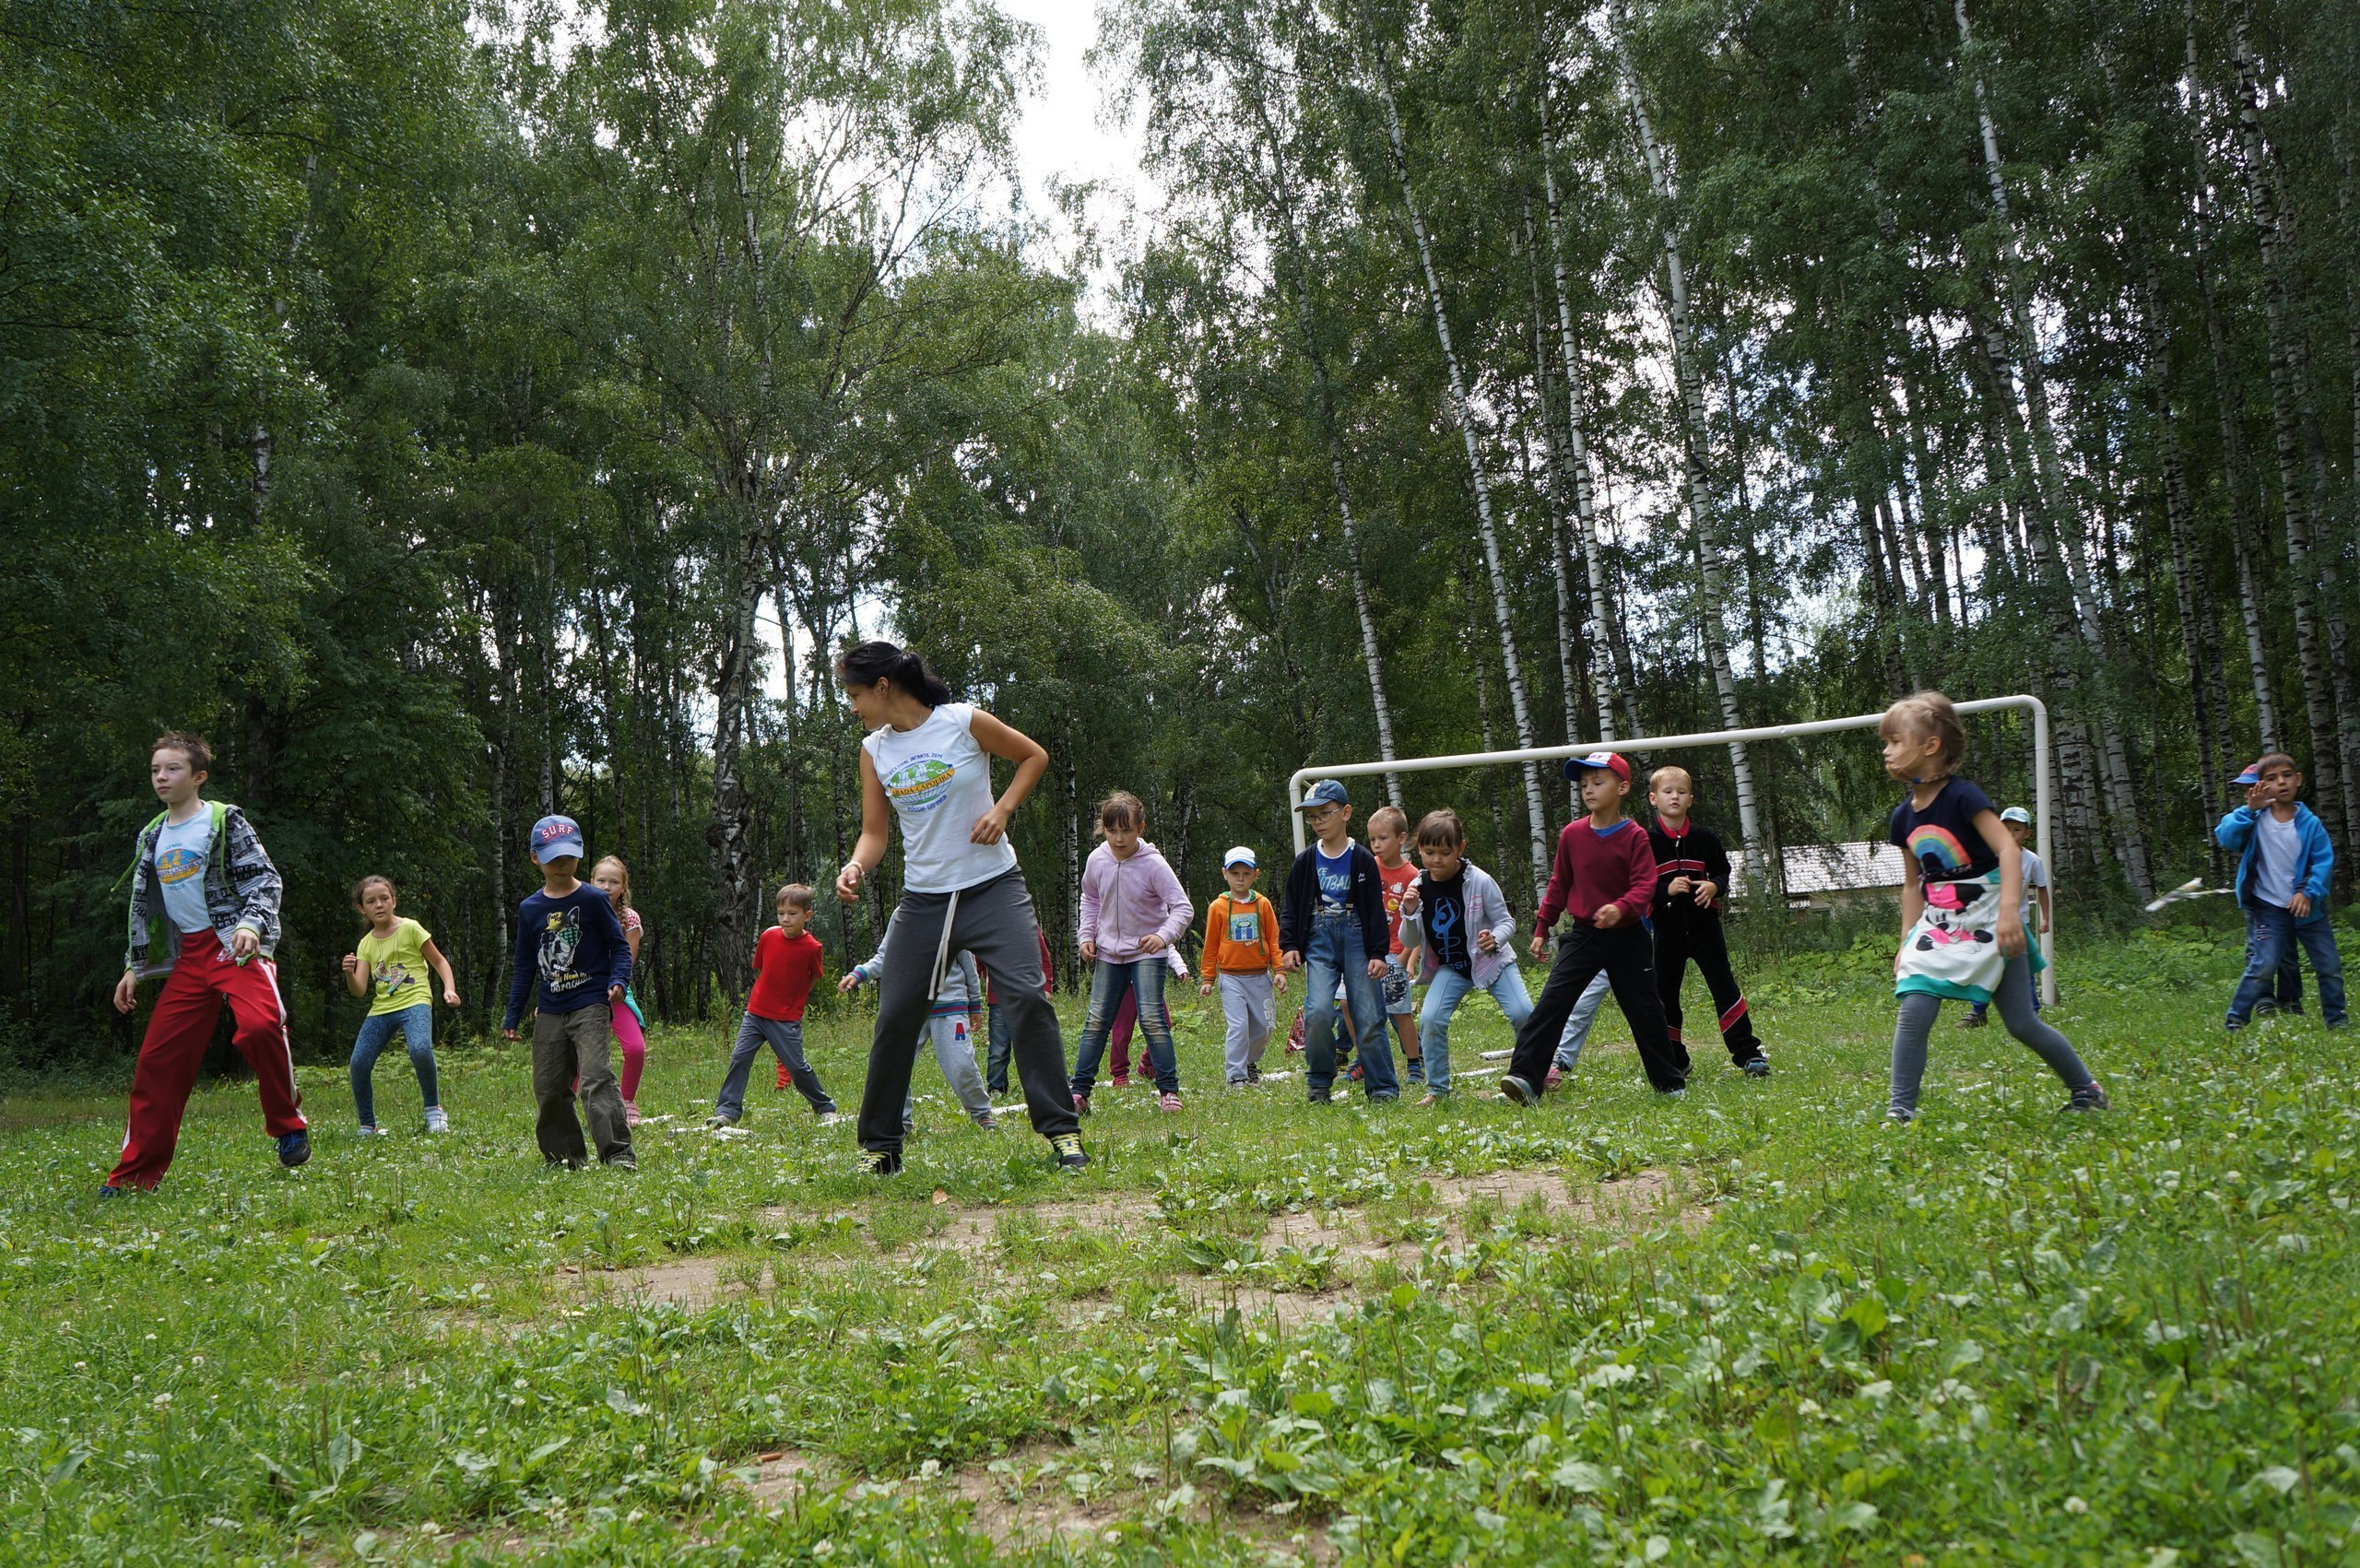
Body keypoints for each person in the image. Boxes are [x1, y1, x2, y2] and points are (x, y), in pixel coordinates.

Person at [832, 642, 1087, 1174]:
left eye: (854, 694)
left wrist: (1003, 809)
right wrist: (856, 865)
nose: (851, 706)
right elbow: (874, 834)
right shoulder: (874, 750)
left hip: (993, 887)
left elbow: (1033, 756)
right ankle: (882, 1147)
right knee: (897, 1015)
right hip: (924, 900)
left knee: (1026, 998)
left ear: (883, 686)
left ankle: (1062, 1133)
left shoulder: (962, 721)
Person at [1879, 692, 2106, 1121]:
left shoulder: (1963, 797)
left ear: (1931, 746)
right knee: (1914, 1009)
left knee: (2022, 1023)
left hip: (1992, 917)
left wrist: (2009, 914)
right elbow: (1913, 884)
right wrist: (1906, 940)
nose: (1887, 751)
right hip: (1940, 921)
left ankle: (2087, 1090)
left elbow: (2007, 850)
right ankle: (1900, 1110)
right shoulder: (1901, 817)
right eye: (1885, 743)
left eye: (1895, 740)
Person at [103, 732, 310, 1196]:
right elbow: (145, 907)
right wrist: (135, 966)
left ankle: (287, 1123)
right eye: (156, 769)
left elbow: (265, 879)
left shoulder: (223, 820)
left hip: (235, 947)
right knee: (157, 1063)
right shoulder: (152, 834)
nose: (161, 777)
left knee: (260, 1026)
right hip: (188, 959)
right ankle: (134, 1177)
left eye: (172, 769)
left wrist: (253, 926)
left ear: (198, 777)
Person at [1500, 752, 1688, 1103]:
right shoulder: (1572, 835)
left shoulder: (1635, 837)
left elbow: (1645, 884)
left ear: (1623, 788)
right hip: (1585, 934)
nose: (1589, 789)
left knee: (1646, 1009)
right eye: (1584, 784)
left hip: (1628, 937)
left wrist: (1621, 908)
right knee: (1552, 1002)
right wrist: (1542, 927)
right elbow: (1559, 883)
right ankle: (1525, 1079)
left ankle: (1669, 1083)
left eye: (1598, 782)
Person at [502, 814, 637, 1170]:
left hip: (590, 1002)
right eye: (553, 857)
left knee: (596, 1078)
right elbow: (524, 965)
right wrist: (513, 1013)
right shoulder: (530, 909)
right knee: (548, 1086)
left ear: (578, 854)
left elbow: (619, 947)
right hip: (550, 1008)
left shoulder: (593, 899)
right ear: (535, 858)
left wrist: (618, 980)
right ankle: (565, 1158)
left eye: (568, 856)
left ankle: (618, 1153)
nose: (562, 864)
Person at [1068, 792, 1195, 1114]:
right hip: (1109, 953)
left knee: (1153, 1019)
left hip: (1146, 953)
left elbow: (1182, 907)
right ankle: (1079, 1092)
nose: (1119, 838)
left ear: (1141, 828)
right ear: (1103, 829)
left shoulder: (1153, 864)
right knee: (1096, 1021)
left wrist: (1162, 936)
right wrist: (1086, 936)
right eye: (1112, 831)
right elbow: (1090, 899)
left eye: (1127, 830)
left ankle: (1169, 1092)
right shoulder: (1097, 860)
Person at [1643, 767, 1769, 1077]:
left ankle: (1749, 1054)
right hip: (1667, 930)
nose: (1675, 796)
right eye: (1668, 791)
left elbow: (1723, 873)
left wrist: (1715, 886)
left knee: (1724, 987)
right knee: (1664, 995)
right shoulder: (1645, 841)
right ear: (1653, 798)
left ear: (1691, 799)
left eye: (1681, 792)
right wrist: (1665, 890)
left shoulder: (1705, 838)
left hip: (1706, 928)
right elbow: (1639, 885)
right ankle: (1675, 1058)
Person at [1280, 779, 1399, 1103]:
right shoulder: (1305, 862)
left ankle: (1382, 1087)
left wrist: (1378, 952)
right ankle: (1319, 1083)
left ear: (1345, 813)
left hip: (1358, 937)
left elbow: (1375, 909)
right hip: (1319, 939)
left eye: (1325, 814)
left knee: (1369, 1014)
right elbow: (1291, 907)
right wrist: (1289, 945)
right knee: (1318, 1011)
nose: (1318, 822)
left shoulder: (1361, 859)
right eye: (1312, 817)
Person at [1395, 809, 1525, 1104]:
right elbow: (1408, 940)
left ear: (1460, 849)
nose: (1436, 859)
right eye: (1429, 852)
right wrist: (1411, 912)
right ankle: (1438, 1090)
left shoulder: (1479, 881)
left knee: (1522, 1013)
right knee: (1430, 1018)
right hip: (1452, 966)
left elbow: (1507, 922)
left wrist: (1496, 938)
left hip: (1492, 960)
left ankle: (1530, 1076)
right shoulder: (1418, 886)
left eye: (1445, 852)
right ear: (1418, 850)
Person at [2217, 751, 2345, 1031]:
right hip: (2268, 908)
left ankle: (2337, 1023)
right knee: (2262, 965)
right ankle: (2235, 1022)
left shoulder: (2311, 824)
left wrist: (2308, 893)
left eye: (2287, 775)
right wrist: (2249, 809)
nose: (2282, 782)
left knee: (2330, 967)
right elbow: (2226, 837)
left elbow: (2323, 862)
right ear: (2261, 785)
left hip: (2308, 909)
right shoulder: (2255, 818)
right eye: (2272, 778)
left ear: (2298, 780)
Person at [340, 876, 458, 1137]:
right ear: (362, 909)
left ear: (394, 900)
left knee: (419, 1049)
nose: (379, 905)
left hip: (415, 1000)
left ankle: (434, 1111)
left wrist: (449, 988)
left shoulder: (411, 928)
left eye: (384, 898)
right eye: (371, 901)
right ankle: (367, 1125)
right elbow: (359, 989)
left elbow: (439, 962)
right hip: (382, 1008)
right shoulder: (366, 944)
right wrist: (349, 973)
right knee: (358, 1063)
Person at [713, 884, 838, 1128]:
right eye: (781, 913)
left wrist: (794, 999)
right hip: (756, 1013)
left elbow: (814, 975)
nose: (786, 918)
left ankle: (825, 1107)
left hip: (786, 1018)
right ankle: (727, 1111)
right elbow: (762, 967)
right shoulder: (768, 936)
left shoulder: (813, 948)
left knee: (796, 1067)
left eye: (792, 913)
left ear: (807, 916)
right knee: (740, 1058)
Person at [842, 942, 997, 1129]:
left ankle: (981, 1113)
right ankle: (901, 1121)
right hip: (910, 1008)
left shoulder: (954, 917)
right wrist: (859, 973)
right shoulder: (902, 917)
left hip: (951, 1006)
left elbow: (968, 965)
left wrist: (975, 1004)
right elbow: (885, 957)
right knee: (895, 1065)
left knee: (961, 1064)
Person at [1198, 845, 1287, 1085]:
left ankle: (1249, 1062)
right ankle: (1236, 1076)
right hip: (1231, 978)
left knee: (1265, 1027)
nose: (1240, 878)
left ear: (1255, 875)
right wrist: (1208, 978)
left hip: (1260, 976)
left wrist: (1279, 970)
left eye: (1246, 873)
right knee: (1239, 1026)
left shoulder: (1263, 904)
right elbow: (1211, 944)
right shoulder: (1218, 907)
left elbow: (1274, 939)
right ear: (1224, 873)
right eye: (1234, 872)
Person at [2224, 760, 2307, 1017]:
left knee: (2288, 953)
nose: (2250, 793)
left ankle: (2290, 1001)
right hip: (2258, 900)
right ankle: (2263, 1000)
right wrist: (2249, 810)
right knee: (2258, 952)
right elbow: (2226, 836)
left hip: (2287, 898)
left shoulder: (2293, 817)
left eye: (2255, 787)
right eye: (2246, 790)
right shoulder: (2246, 816)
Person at [1962, 807, 2048, 1029]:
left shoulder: (2032, 861)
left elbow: (2041, 888)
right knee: (1984, 965)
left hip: (2019, 922)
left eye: (2017, 829)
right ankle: (1978, 1012)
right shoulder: (1989, 857)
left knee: (2023, 968)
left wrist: (2045, 918)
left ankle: (2032, 1012)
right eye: (2006, 828)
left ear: (2027, 833)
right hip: (1989, 922)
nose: (2011, 833)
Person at [1365, 807, 1426, 1084]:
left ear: (1401, 839)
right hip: (1369, 953)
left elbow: (1417, 922)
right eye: (1372, 839)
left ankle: (1414, 1061)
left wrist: (1406, 959)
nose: (1376, 845)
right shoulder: (1367, 868)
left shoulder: (1413, 875)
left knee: (1400, 1012)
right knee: (1352, 1007)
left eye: (1383, 838)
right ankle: (1364, 1060)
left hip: (1395, 953)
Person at [588, 856, 651, 1125]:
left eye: (614, 882)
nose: (606, 886)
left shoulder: (629, 918)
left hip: (616, 989)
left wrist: (617, 985)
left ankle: (627, 1100)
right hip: (583, 989)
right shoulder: (580, 910)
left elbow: (628, 960)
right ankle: (581, 1103)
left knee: (636, 1048)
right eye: (601, 880)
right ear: (591, 882)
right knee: (581, 1054)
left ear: (623, 887)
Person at [981, 926, 1056, 1098]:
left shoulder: (1027, 924)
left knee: (1035, 1044)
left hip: (1028, 995)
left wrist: (1047, 986)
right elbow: (977, 963)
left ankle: (1045, 1085)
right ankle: (996, 1088)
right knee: (998, 1049)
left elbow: (1044, 958)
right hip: (998, 998)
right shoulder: (985, 927)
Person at [1107, 948, 1191, 1087]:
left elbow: (1166, 945)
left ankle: (1147, 1063)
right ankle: (1119, 1073)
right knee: (1122, 1032)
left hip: (1149, 984)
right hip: (1125, 985)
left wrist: (1180, 967)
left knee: (1163, 1024)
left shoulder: (1154, 926)